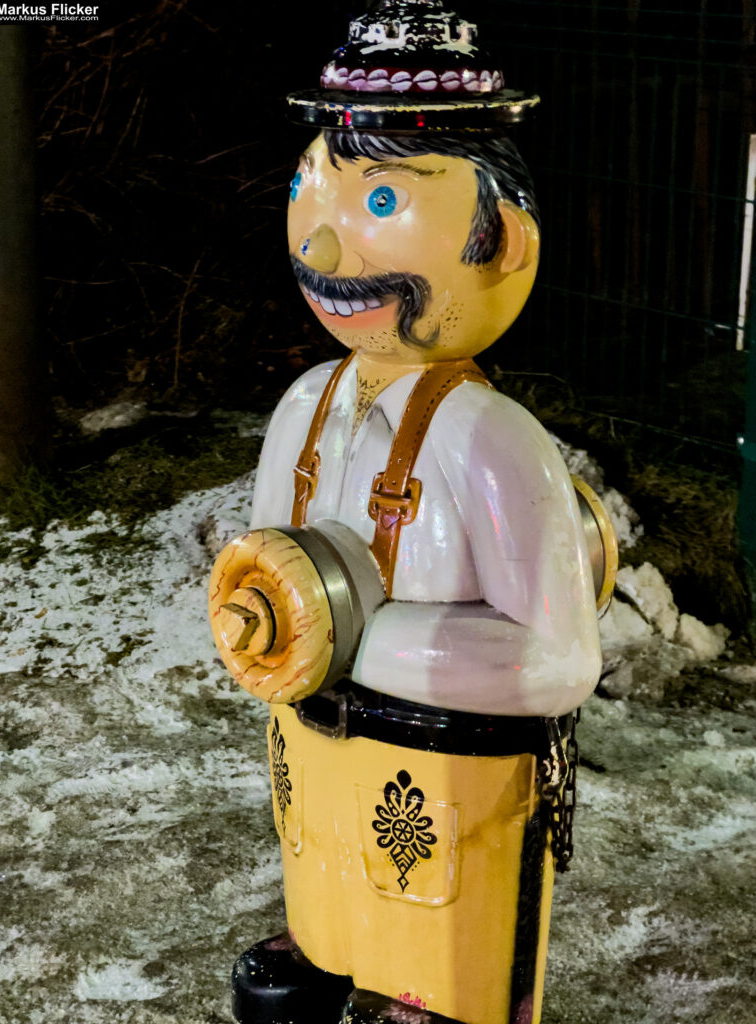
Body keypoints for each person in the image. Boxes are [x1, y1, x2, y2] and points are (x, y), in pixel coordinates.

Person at [212, 3, 607, 1022]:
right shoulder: (304, 408)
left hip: (447, 792)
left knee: (440, 963)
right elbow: (263, 567)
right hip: (317, 765)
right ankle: (323, 947)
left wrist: (354, 634)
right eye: (315, 184)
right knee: (320, 928)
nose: (329, 241)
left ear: (504, 239)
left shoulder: (491, 441)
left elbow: (555, 659)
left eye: (383, 197)